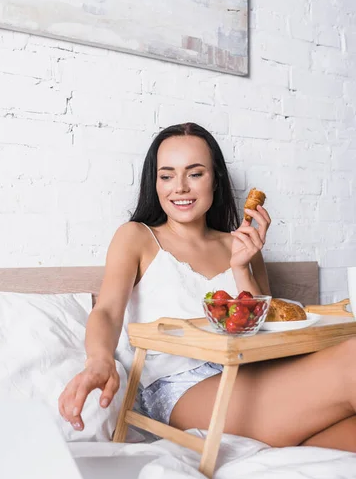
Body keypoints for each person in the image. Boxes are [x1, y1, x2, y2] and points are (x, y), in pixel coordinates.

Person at [59, 122, 356, 452]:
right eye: (167, 175)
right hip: (182, 388)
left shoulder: (242, 244)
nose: (180, 187)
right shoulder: (137, 237)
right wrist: (99, 361)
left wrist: (241, 266)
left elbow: (267, 332)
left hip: (254, 373)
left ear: (215, 179)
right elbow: (108, 311)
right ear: (154, 183)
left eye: (195, 173)